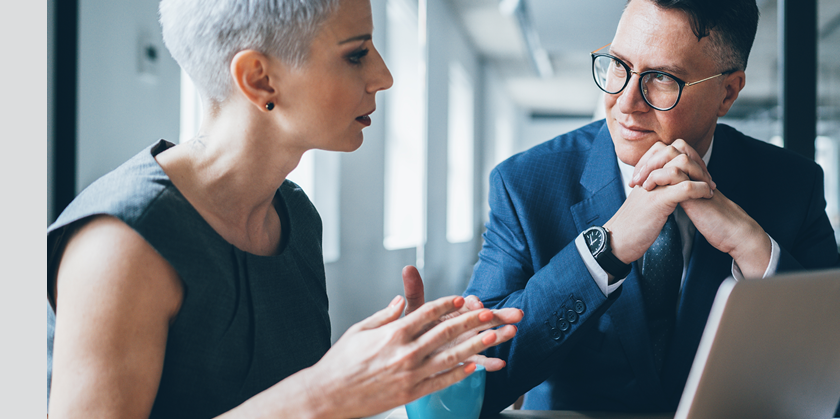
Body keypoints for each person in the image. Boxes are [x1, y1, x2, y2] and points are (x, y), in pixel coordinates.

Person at [45, 0, 522, 417]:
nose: (384, 76)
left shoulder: (295, 216)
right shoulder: (121, 245)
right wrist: (326, 392)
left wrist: (403, 369)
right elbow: (309, 401)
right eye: (356, 54)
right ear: (260, 79)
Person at [463, 0, 840, 417]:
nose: (625, 101)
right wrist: (602, 253)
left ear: (728, 92)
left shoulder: (791, 186)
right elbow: (471, 379)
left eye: (662, 78)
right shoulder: (525, 185)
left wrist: (753, 248)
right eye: (618, 65)